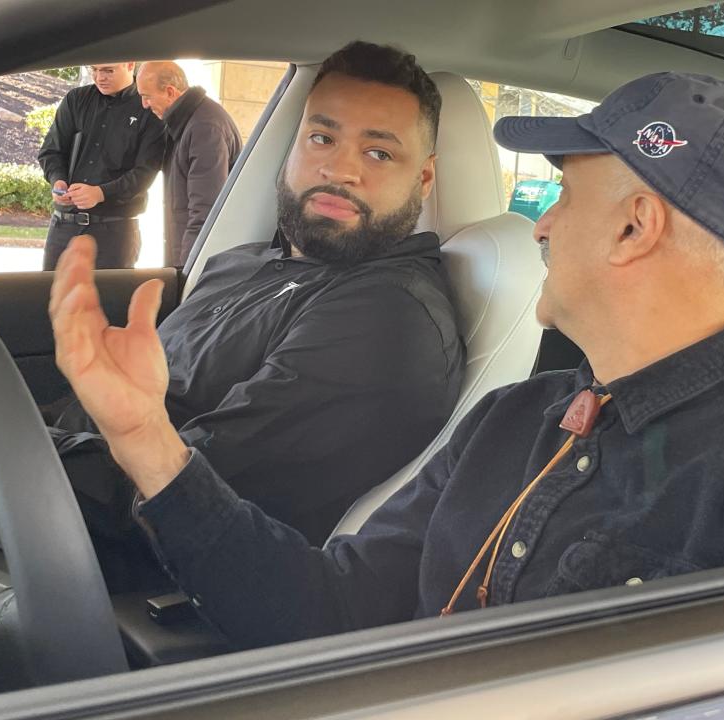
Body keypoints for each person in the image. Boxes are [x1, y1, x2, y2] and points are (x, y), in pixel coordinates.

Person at [50, 71, 724, 648]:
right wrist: (143, 436)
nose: (540, 223)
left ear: (636, 225)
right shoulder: (517, 420)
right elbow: (327, 609)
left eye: (564, 192)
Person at [49, 42, 464, 576]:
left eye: (379, 153)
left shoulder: (386, 319)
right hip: (59, 494)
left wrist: (23, 453)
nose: (339, 169)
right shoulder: (243, 262)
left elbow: (187, 490)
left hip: (98, 560)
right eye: (322, 137)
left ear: (424, 179)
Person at [38, 62, 165, 270]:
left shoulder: (147, 107)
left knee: (111, 301)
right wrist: (57, 180)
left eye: (108, 70)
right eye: (94, 70)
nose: (99, 77)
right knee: (52, 299)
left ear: (130, 65)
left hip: (115, 232)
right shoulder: (75, 100)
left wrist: (101, 193)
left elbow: (146, 171)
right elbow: (51, 152)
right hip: (63, 227)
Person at [135, 61, 243, 266]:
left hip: (198, 260)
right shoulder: (188, 120)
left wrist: (186, 272)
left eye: (146, 96)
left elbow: (205, 210)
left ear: (170, 92)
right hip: (188, 251)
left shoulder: (204, 127)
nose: (144, 105)